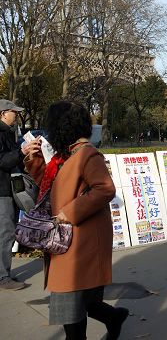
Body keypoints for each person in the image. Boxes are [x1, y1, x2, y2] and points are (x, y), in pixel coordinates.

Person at [24, 101, 128, 339]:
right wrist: (34, 158)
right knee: (82, 302)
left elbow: (105, 189)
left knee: (69, 306)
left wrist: (69, 212)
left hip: (80, 240)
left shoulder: (86, 154)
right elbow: (50, 187)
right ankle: (114, 317)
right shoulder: (65, 155)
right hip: (68, 239)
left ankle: (112, 318)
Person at [0, 99, 30, 290]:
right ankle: (3, 277)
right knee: (5, 233)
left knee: (6, 232)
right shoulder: (2, 133)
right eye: (14, 112)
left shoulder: (8, 133)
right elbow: (3, 161)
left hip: (6, 189)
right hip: (2, 190)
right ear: (3, 113)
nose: (16, 115)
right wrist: (21, 151)